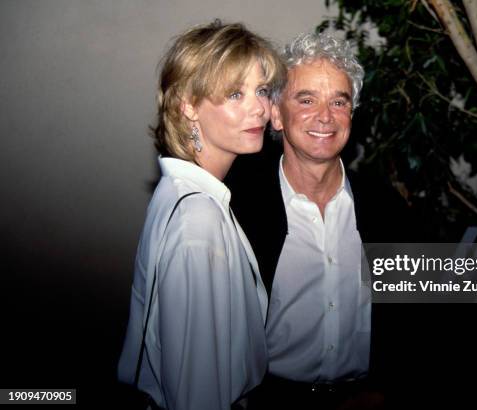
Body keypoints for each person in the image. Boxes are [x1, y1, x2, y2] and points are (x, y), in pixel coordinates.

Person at [226, 32, 415, 409]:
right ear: (277, 114)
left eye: (339, 101)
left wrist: (387, 389)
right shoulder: (237, 208)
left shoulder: (385, 207)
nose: (325, 116)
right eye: (307, 99)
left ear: (351, 115)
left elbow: (411, 318)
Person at [117, 21, 285, 410]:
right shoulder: (198, 220)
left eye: (261, 90)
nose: (258, 107)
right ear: (188, 105)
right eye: (234, 94)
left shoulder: (188, 194)